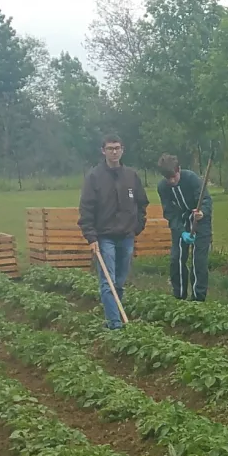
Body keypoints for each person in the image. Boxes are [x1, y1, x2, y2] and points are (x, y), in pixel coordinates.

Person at [78, 135, 149, 329]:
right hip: (104, 236)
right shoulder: (94, 177)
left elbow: (142, 203)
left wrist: (137, 226)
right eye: (110, 148)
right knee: (108, 280)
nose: (114, 151)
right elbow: (86, 208)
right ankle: (115, 323)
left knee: (119, 281)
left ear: (122, 150)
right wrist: (91, 237)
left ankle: (115, 316)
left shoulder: (131, 176)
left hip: (126, 236)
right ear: (103, 151)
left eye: (117, 148)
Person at [156, 154, 212, 300]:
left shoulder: (191, 178)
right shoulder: (163, 187)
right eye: (168, 178)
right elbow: (169, 212)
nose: (172, 181)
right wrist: (181, 232)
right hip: (180, 221)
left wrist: (202, 212)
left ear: (179, 169)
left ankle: (198, 299)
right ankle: (179, 297)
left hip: (200, 220)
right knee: (176, 259)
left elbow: (205, 199)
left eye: (174, 176)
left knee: (198, 261)